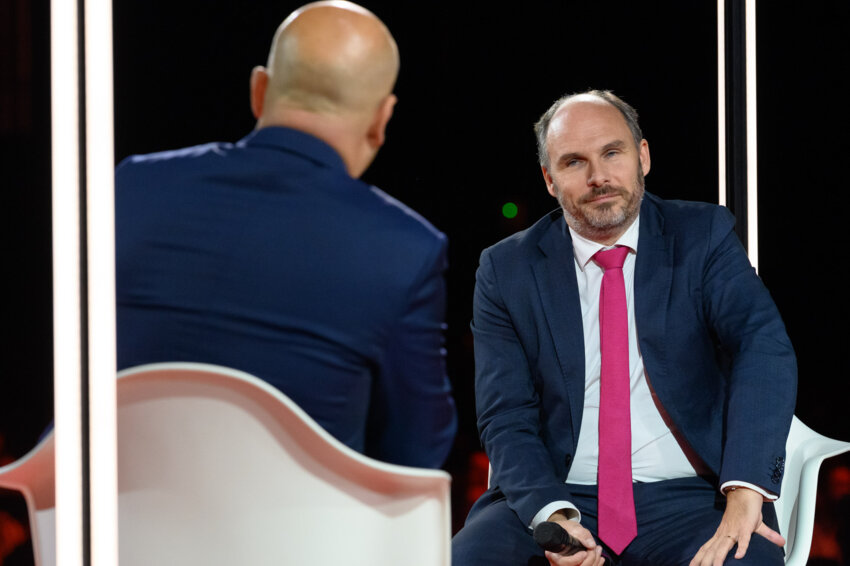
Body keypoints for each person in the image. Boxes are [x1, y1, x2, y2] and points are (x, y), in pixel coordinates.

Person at [452, 90, 797, 566]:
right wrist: (552, 518)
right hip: (560, 494)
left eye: (612, 153)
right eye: (574, 163)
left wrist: (744, 491)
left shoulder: (703, 235)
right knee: (475, 558)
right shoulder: (506, 269)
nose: (598, 177)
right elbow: (505, 414)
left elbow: (763, 348)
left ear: (643, 157)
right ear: (550, 180)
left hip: (693, 498)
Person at [115, 1, 456, 469]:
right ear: (381, 119)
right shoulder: (406, 250)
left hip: (107, 534)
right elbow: (415, 458)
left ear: (259, 89)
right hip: (292, 541)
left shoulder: (131, 186)